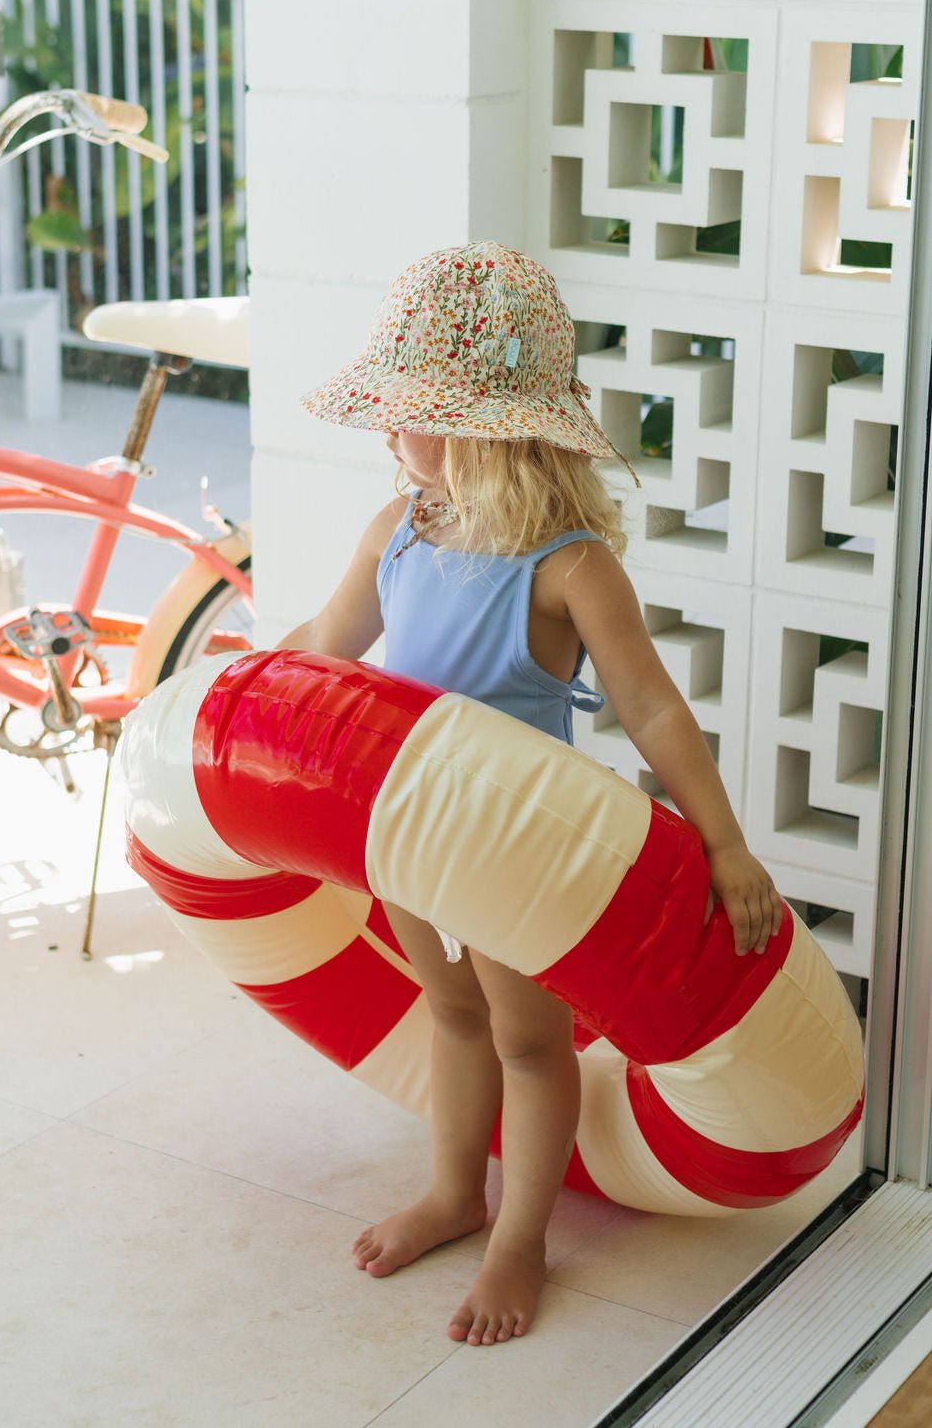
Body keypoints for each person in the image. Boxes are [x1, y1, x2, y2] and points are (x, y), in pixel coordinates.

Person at [276, 240, 782, 1347]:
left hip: (512, 844)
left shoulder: (569, 565)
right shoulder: (400, 529)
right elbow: (327, 646)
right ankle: (456, 1193)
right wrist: (247, 708)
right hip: (407, 831)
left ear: (474, 427)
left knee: (527, 1039)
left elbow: (651, 711)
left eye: (402, 410)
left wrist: (727, 845)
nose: (387, 432)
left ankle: (519, 1239)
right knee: (449, 1011)